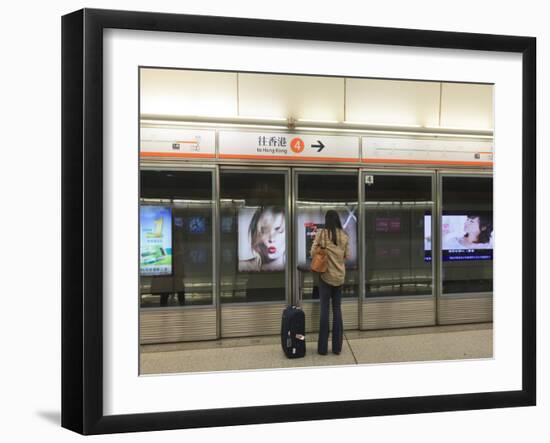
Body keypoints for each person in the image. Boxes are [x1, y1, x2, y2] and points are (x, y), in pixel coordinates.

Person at [310, 210, 350, 355]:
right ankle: (337, 348)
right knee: (337, 310)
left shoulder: (322, 234)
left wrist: (322, 250)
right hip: (339, 277)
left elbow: (312, 252)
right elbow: (346, 255)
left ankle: (322, 349)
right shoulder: (344, 236)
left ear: (326, 221)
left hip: (325, 277)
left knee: (325, 310)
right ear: (338, 220)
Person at [239, 206, 286, 272]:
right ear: (256, 233)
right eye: (265, 230)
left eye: (278, 230)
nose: (271, 239)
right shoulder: (242, 266)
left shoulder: (296, 271)